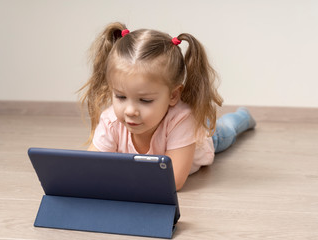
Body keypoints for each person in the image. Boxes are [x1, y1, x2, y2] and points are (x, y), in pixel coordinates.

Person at [79, 22, 256, 191]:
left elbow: (173, 180)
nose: (130, 111)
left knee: (227, 129)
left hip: (203, 139)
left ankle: (243, 116)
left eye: (145, 100)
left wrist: (115, 177)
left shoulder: (182, 119)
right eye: (120, 97)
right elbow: (90, 167)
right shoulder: (111, 121)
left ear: (173, 95)